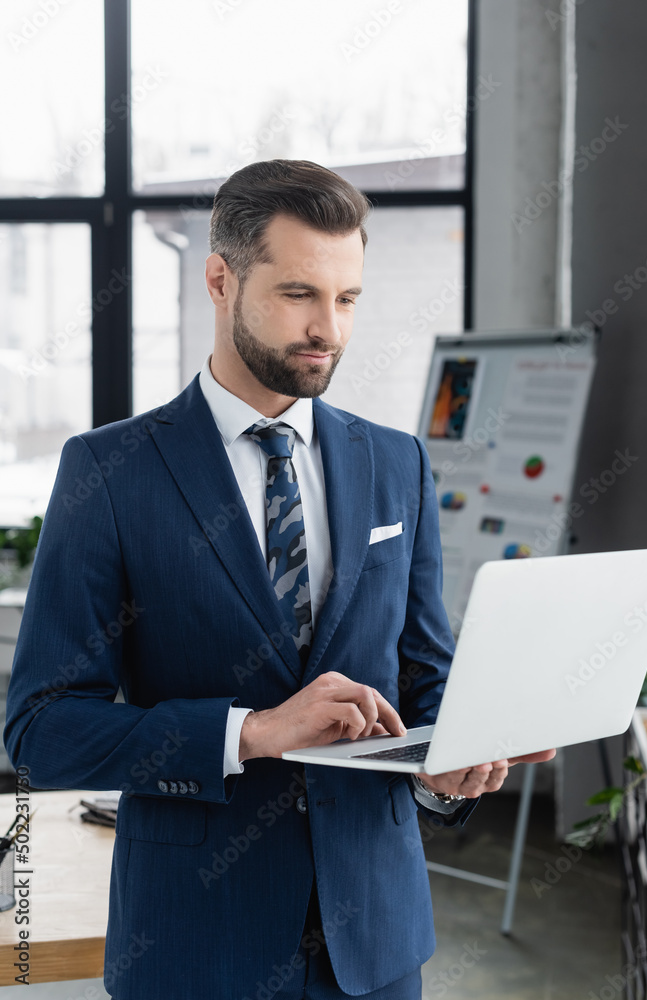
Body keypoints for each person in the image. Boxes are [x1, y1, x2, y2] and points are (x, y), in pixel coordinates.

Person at [4, 159, 553, 1000]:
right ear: (220, 280)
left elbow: (424, 676)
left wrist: (449, 766)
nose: (326, 328)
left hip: (373, 943)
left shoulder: (395, 461)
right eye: (299, 293)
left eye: (347, 299)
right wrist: (250, 733)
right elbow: (41, 730)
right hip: (194, 944)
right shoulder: (110, 472)